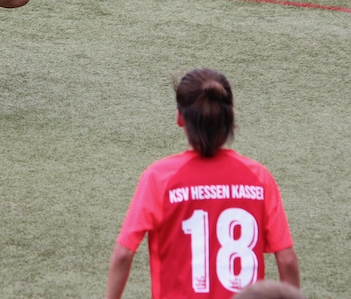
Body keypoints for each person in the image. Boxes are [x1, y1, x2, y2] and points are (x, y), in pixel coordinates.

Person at [105, 68, 300, 299]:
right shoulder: (259, 177)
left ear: (180, 118)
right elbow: (287, 260)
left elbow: (123, 255)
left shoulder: (159, 177)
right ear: (231, 116)